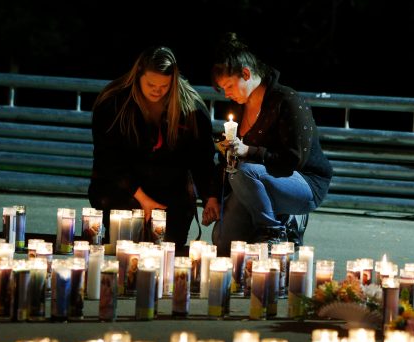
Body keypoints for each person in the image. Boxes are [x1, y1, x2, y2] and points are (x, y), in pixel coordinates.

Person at [88, 46, 221, 252]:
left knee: (165, 249)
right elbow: (108, 158)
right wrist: (142, 199)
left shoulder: (190, 108)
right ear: (138, 75)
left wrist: (210, 196)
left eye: (164, 86)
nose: (157, 91)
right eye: (151, 84)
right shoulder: (114, 103)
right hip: (122, 190)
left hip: (171, 192)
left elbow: (202, 157)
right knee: (126, 246)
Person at [211, 33, 332, 255]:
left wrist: (248, 150)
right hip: (253, 183)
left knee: (244, 172)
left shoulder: (287, 101)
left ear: (246, 74)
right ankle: (274, 218)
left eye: (229, 86)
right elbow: (233, 162)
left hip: (302, 183)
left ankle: (273, 231)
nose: (227, 94)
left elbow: (294, 159)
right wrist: (227, 152)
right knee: (222, 242)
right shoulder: (241, 108)